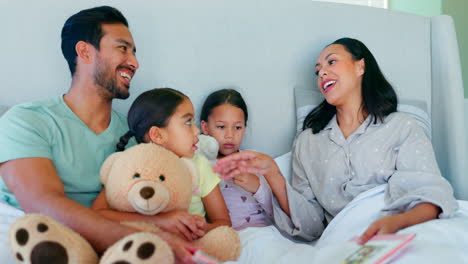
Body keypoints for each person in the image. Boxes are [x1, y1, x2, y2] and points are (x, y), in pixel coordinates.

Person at [214, 38, 458, 244]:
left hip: (411, 227)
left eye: (331, 62)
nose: (321, 72)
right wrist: (273, 174)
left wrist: (397, 222)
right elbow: (311, 227)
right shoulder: (308, 142)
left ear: (360, 67)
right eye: (318, 69)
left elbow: (431, 193)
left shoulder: (401, 126)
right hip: (350, 241)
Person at [0, 6, 194, 263]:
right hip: (31, 232)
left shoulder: (133, 137)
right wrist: (145, 240)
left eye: (134, 52)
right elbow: (42, 204)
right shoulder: (27, 120)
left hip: (107, 239)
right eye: (122, 48)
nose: (134, 63)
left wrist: (160, 225)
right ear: (84, 52)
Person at [92, 88, 231, 241]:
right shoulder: (131, 164)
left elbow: (224, 223)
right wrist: (160, 222)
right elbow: (97, 214)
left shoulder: (199, 166)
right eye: (187, 122)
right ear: (157, 135)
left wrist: (198, 227)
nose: (196, 130)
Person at [199, 89, 274, 230]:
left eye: (237, 127)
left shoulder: (254, 160)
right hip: (227, 238)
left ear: (245, 128)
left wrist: (257, 187)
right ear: (205, 127)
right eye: (221, 127)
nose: (230, 135)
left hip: (263, 233)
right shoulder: (200, 165)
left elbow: (278, 213)